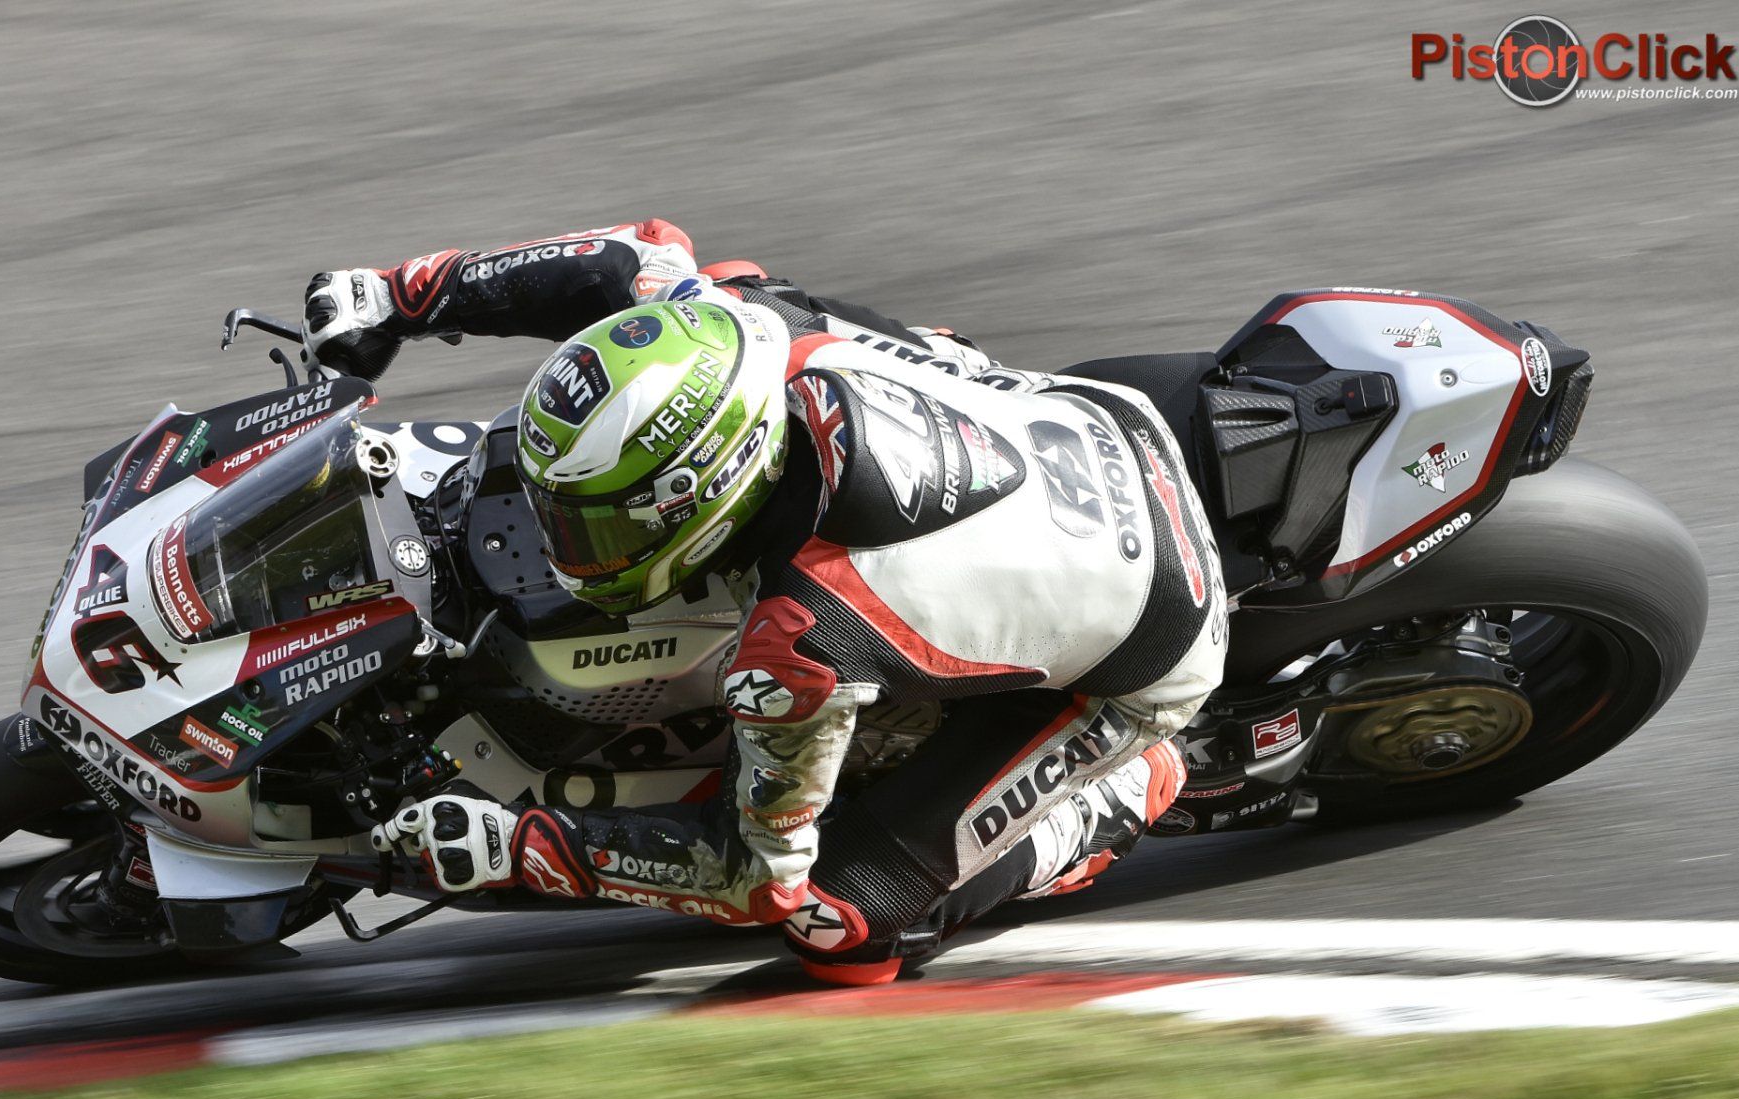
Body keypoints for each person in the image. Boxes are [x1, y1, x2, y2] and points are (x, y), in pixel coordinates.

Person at [303, 220, 1225, 985]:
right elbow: (626, 255)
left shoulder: (802, 637)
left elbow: (755, 880)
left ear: (712, 488)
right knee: (745, 281)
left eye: (592, 527)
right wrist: (399, 297)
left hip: (1156, 630)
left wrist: (531, 842)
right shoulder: (724, 325)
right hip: (1085, 417)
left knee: (842, 925)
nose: (559, 549)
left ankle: (1126, 793)